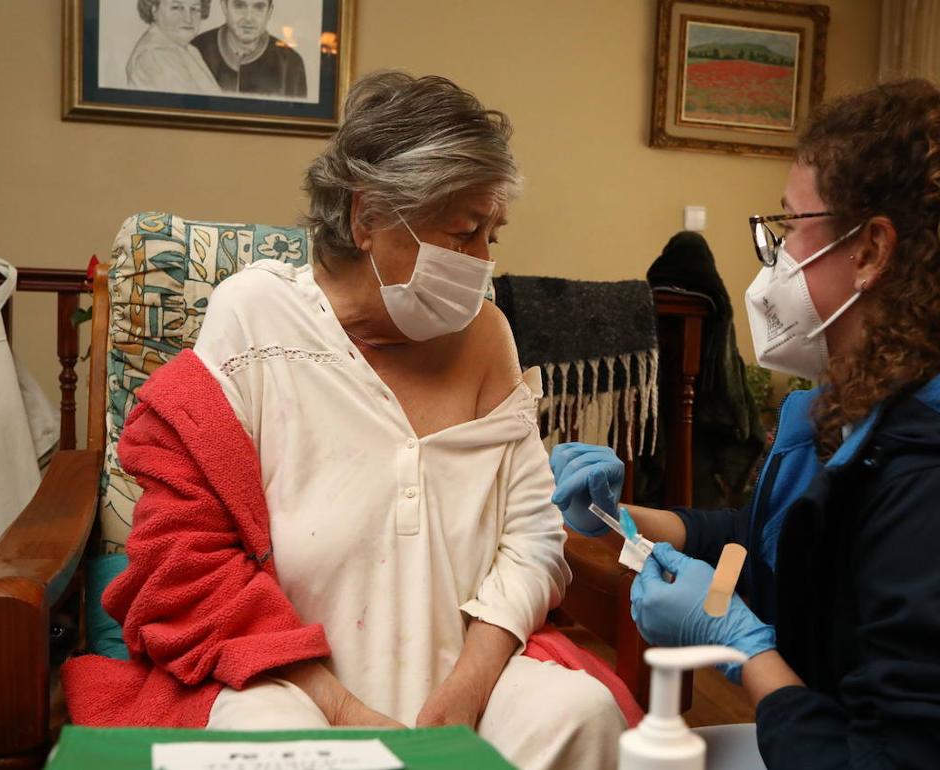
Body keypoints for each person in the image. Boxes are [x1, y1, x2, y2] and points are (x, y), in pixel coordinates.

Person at [552, 79, 940, 769]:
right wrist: (633, 521)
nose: (777, 260)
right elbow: (792, 542)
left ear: (874, 250)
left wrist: (751, 657)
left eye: (789, 227)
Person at [62, 72, 627, 770]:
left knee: (582, 714)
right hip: (288, 680)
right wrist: (341, 710)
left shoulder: (488, 336)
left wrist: (467, 690)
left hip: (464, 675)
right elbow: (186, 553)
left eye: (493, 234)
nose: (483, 263)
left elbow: (533, 536)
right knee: (272, 744)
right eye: (464, 232)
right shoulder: (255, 319)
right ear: (367, 219)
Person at [192, 0, 307, 98]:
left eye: (258, 7)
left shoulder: (291, 64)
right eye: (239, 5)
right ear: (224, 7)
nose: (248, 18)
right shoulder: (194, 51)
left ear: (269, 12)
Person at [126, 0, 221, 95]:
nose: (188, 19)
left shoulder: (190, 50)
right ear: (154, 10)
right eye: (176, 8)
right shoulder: (155, 55)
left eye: (194, 9)